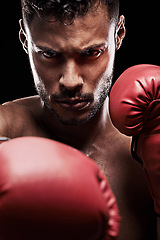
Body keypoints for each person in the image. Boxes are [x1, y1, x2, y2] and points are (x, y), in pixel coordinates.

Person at [0, 0, 157, 239]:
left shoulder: (151, 140)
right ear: (24, 40)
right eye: (49, 54)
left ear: (119, 35)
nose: (70, 81)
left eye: (91, 53)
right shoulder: (7, 127)